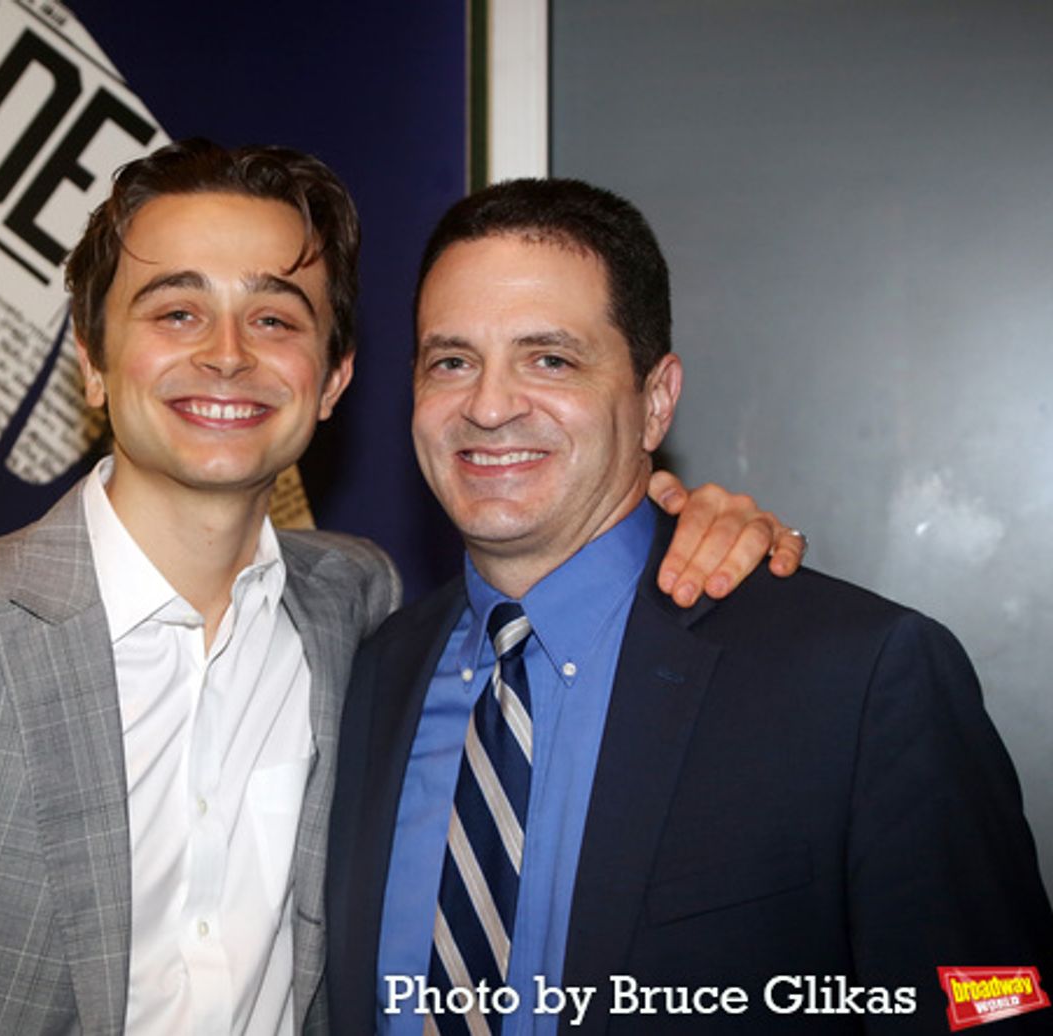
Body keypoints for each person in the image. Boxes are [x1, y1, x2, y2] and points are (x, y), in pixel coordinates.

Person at [0, 141, 800, 1035]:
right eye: (174, 310)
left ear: (334, 376)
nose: (225, 354)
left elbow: (565, 569)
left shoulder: (363, 612)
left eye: (274, 317)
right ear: (94, 363)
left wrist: (684, 521)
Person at [326, 177, 1053, 1034]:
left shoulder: (855, 680)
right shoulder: (376, 670)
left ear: (656, 400)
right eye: (451, 361)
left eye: (549, 359)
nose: (488, 406)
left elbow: (996, 1005)